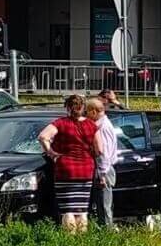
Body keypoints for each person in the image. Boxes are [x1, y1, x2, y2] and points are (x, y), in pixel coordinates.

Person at [38, 94, 98, 233]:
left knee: (68, 209)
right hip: (86, 169)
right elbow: (99, 149)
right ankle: (82, 239)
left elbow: (43, 136)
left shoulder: (60, 123)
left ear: (67, 107)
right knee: (82, 209)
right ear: (83, 107)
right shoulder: (91, 125)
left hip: (65, 169)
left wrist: (51, 153)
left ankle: (69, 237)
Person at [87, 97, 121, 227]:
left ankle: (107, 232)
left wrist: (102, 175)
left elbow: (103, 153)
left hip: (104, 171)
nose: (86, 115)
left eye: (87, 112)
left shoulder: (103, 128)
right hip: (103, 170)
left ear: (94, 112)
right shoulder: (101, 125)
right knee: (101, 204)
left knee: (104, 204)